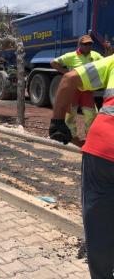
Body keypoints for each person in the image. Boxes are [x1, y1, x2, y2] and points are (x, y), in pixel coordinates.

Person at [50, 54, 114, 278]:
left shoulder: (109, 60)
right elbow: (60, 69)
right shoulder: (74, 56)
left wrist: (56, 123)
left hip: (103, 149)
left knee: (99, 224)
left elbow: (68, 79)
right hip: (100, 143)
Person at [50, 35, 103, 143]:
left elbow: (106, 62)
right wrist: (67, 73)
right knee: (70, 114)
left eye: (90, 44)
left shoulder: (95, 55)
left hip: (87, 90)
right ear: (80, 45)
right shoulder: (71, 56)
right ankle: (72, 137)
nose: (88, 46)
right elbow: (53, 63)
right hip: (73, 91)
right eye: (85, 44)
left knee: (91, 114)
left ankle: (90, 138)